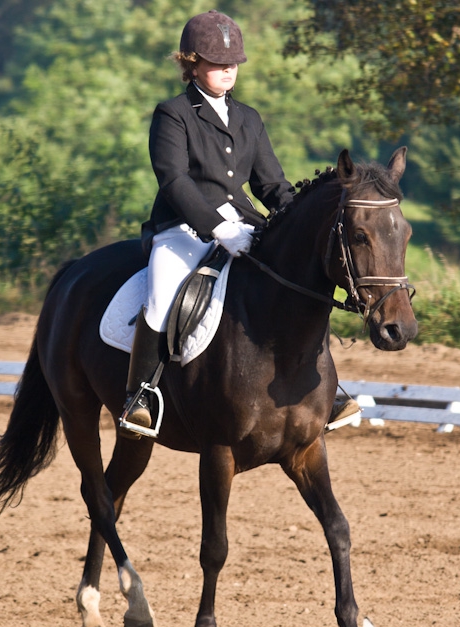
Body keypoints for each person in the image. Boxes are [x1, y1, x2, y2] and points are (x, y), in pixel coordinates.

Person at [120, 10, 359, 437]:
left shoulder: (248, 117)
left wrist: (296, 219)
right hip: (183, 230)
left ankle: (326, 387)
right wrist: (218, 228)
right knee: (162, 295)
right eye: (216, 62)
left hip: (246, 227)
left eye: (233, 62)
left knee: (294, 285)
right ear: (191, 62)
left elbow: (272, 185)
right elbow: (174, 181)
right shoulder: (173, 114)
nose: (228, 69)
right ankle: (141, 397)